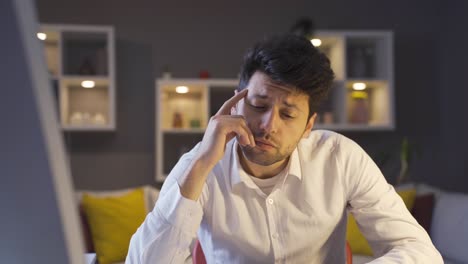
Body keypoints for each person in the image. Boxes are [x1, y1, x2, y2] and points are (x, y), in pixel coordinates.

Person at [126, 34, 442, 263]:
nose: (268, 125)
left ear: (309, 125)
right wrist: (201, 166)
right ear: (236, 103)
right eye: (258, 105)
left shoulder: (340, 158)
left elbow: (419, 251)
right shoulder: (200, 164)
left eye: (288, 114)